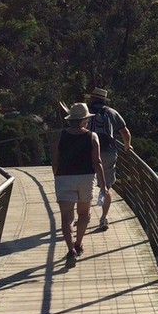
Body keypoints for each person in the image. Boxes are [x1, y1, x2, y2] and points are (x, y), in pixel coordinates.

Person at [51, 102, 106, 262]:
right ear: (84, 121)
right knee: (84, 214)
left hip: (64, 178)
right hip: (86, 178)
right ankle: (79, 243)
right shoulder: (92, 136)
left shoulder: (60, 135)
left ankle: (70, 251)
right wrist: (103, 185)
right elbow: (97, 162)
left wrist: (57, 175)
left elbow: (55, 161)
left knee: (67, 218)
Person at [86, 87, 132, 231]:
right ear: (104, 100)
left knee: (86, 185)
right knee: (106, 186)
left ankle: (84, 215)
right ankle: (103, 218)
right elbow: (125, 132)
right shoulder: (112, 112)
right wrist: (127, 146)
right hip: (108, 152)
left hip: (88, 151)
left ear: (92, 99)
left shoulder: (86, 112)